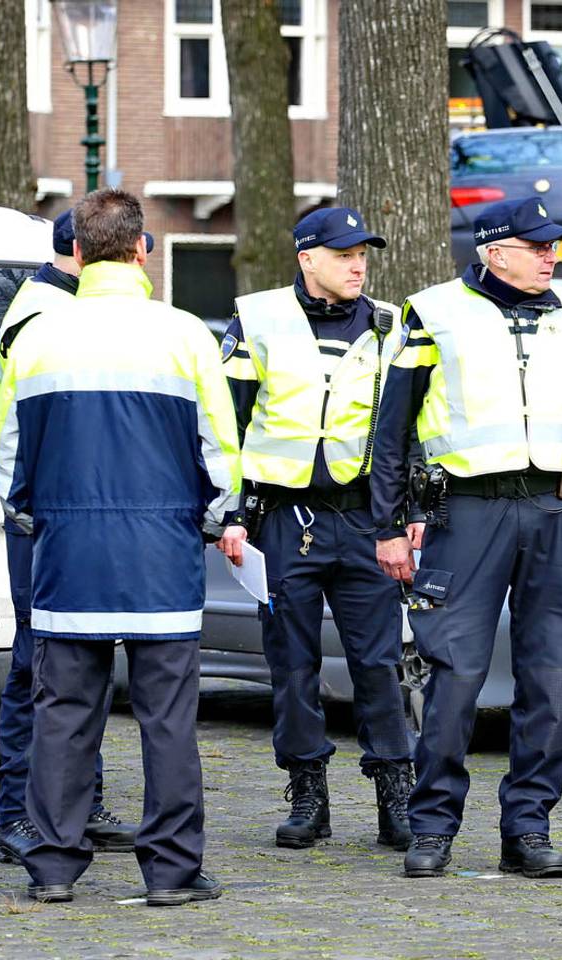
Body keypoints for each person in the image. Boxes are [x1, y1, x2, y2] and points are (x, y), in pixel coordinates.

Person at [0, 189, 240, 906]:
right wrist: (215, 515)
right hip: (160, 556)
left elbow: (11, 465)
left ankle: (55, 866)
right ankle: (170, 870)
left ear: (76, 252)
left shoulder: (37, 334)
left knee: (64, 714)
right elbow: (220, 453)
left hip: (69, 557)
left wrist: (43, 517)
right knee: (167, 720)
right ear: (139, 251)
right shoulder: (185, 334)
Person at [371, 197, 562, 879]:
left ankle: (528, 827)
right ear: (494, 251)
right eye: (536, 245)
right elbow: (391, 429)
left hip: (558, 512)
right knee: (454, 674)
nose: (550, 255)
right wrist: (389, 525)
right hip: (467, 513)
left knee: (551, 677)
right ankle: (433, 827)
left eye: (552, 244)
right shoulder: (435, 311)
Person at [216, 207, 414, 852]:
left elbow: (405, 428)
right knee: (292, 665)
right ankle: (308, 795)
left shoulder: (390, 324)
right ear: (308, 258)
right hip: (283, 519)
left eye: (364, 254)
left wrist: (408, 515)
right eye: (344, 254)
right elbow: (230, 421)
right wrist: (232, 514)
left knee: (379, 663)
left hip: (365, 520)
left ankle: (396, 794)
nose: (359, 265)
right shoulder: (260, 318)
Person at [0, 210, 138, 866]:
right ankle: (20, 812)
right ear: (87, 252)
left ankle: (77, 799)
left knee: (73, 662)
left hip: (60, 511)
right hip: (46, 514)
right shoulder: (45, 317)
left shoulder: (47, 307)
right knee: (39, 666)